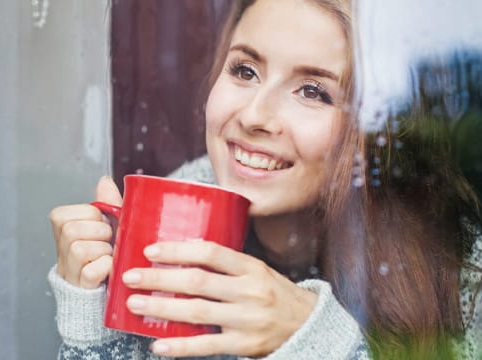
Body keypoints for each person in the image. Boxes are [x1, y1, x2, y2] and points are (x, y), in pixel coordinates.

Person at [48, 0, 482, 359]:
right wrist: (93, 321)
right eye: (244, 71)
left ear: (380, 134)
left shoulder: (462, 264)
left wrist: (317, 341)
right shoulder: (185, 203)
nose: (254, 116)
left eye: (313, 91)